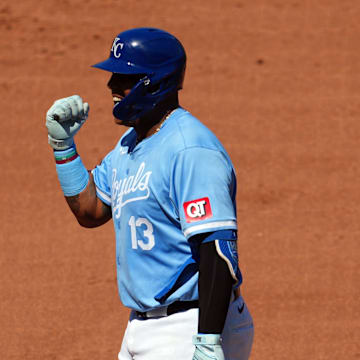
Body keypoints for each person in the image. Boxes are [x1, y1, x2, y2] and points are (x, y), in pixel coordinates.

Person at [45, 27, 254, 360]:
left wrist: (208, 340)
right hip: (142, 327)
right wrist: (63, 148)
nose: (112, 86)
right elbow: (90, 211)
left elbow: (216, 248)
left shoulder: (190, 150)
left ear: (154, 82)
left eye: (124, 76)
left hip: (190, 326)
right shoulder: (128, 146)